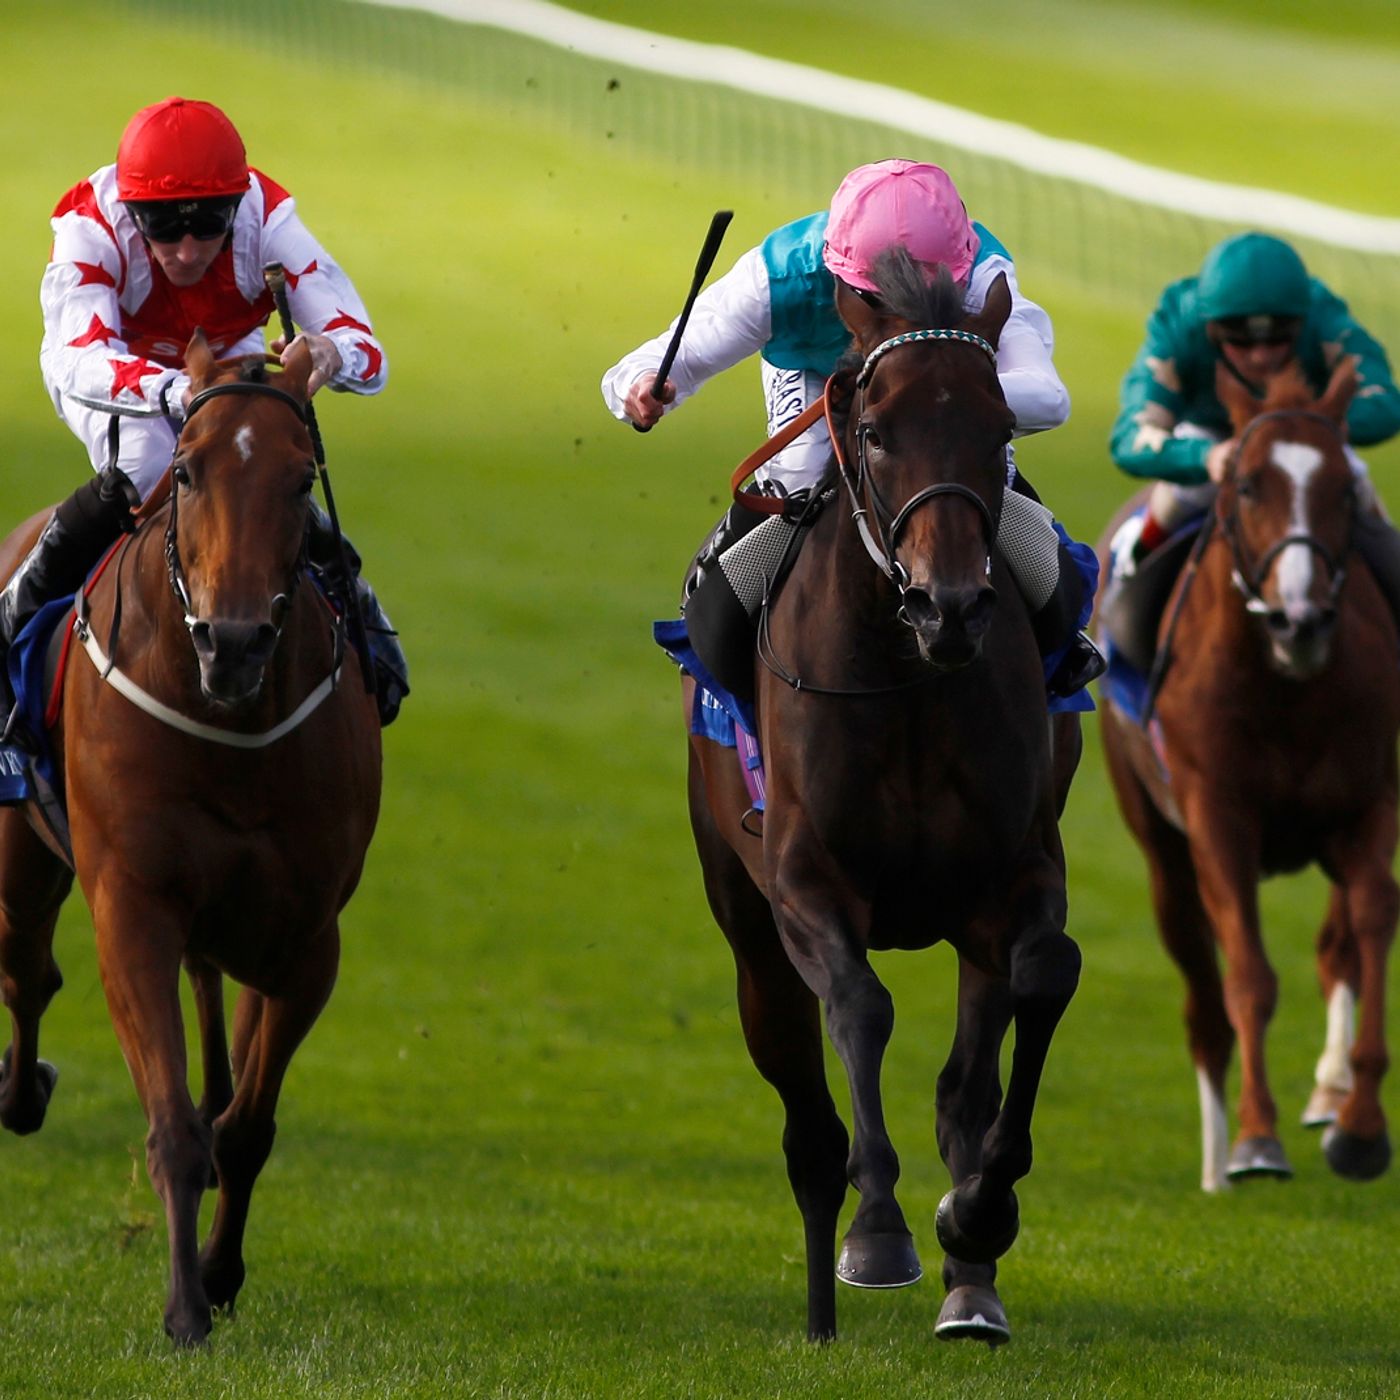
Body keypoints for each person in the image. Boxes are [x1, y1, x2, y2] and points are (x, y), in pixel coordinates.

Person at [0, 96, 408, 785]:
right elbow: (77, 356)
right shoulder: (89, 225)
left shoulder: (269, 218)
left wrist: (328, 353)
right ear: (132, 212)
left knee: (259, 467)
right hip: (114, 371)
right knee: (147, 463)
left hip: (224, 363)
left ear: (236, 206)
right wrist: (171, 391)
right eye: (163, 228)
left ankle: (362, 615)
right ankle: (10, 624)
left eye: (209, 226)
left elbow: (368, 352)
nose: (187, 251)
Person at [602, 158, 1102, 700]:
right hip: (819, 376)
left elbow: (1048, 398)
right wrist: (643, 387)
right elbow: (649, 364)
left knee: (978, 485)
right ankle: (734, 665)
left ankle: (1056, 653)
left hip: (946, 395)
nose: (900, 315)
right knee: (800, 484)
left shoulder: (984, 275)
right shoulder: (776, 277)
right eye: (878, 301)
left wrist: (932, 406)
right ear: (839, 277)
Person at [1108, 231, 1400, 578]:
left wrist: (1324, 425)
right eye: (1240, 341)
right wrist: (1204, 457)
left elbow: (1385, 400)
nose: (1260, 356)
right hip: (1216, 439)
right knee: (1180, 498)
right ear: (1212, 329)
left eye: (1278, 339)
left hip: (1304, 437)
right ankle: (1124, 585)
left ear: (1299, 323)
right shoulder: (1180, 325)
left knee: (1358, 490)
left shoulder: (1323, 316)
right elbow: (1130, 437)